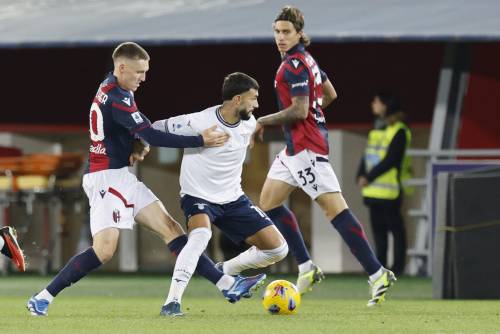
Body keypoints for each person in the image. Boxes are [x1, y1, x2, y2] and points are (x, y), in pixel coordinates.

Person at [27, 42, 264, 317]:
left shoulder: (115, 87)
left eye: (145, 71)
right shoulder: (117, 97)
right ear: (122, 67)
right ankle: (42, 297)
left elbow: (135, 125)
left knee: (171, 228)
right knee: (104, 250)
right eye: (139, 72)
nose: (143, 77)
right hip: (106, 179)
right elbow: (151, 134)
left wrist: (135, 142)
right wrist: (200, 139)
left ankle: (227, 285)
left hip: (119, 177)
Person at [254, 6, 396, 306]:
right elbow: (330, 95)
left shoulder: (294, 64)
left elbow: (301, 109)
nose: (280, 37)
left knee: (335, 211)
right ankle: (306, 267)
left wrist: (262, 121)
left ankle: (377, 273)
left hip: (307, 148)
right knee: (268, 203)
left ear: (298, 33)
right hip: (294, 149)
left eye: (286, 32)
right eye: (277, 31)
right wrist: (314, 117)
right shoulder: (308, 60)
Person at [152, 72, 287, 316]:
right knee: (199, 238)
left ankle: (223, 270)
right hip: (198, 197)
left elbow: (251, 130)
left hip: (234, 199)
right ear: (237, 99)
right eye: (253, 99)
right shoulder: (198, 121)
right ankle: (171, 302)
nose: (256, 105)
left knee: (278, 249)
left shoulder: (249, 122)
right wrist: (196, 140)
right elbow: (153, 130)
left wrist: (257, 130)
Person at [357, 93, 411, 276]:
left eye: (377, 101)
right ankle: (379, 268)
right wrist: (360, 173)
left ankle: (398, 268)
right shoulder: (377, 128)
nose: (373, 104)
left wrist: (368, 176)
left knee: (396, 231)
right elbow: (369, 153)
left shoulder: (400, 130)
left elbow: (392, 160)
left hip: (390, 190)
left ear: (386, 105)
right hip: (373, 190)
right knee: (378, 232)